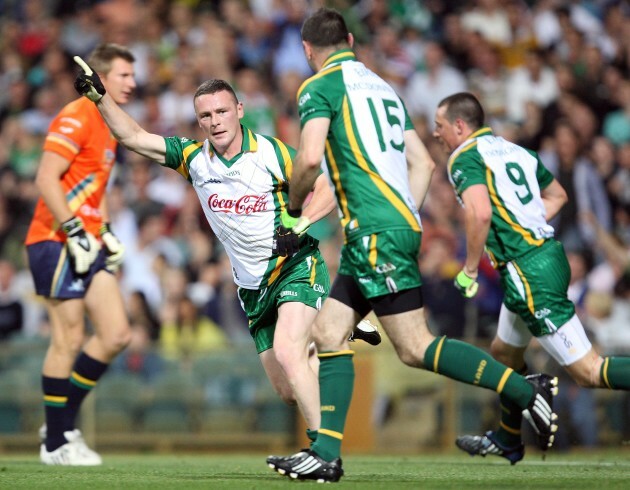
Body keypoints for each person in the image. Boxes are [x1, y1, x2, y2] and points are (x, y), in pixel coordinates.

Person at [267, 8, 559, 483]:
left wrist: (296, 208)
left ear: (307, 50)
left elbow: (308, 158)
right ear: (351, 39)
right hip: (392, 225)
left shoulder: (318, 87)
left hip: (374, 231)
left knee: (416, 347)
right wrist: (404, 215)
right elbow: (422, 163)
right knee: (329, 333)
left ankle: (528, 392)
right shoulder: (386, 89)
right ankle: (325, 452)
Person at [72, 61, 381, 457]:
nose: (215, 121)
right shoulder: (193, 160)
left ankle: (322, 454)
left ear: (239, 109)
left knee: (290, 352)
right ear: (198, 120)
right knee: (288, 389)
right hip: (252, 289)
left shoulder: (270, 152)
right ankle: (337, 324)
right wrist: (101, 99)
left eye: (221, 111)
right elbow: (133, 136)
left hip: (294, 268)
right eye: (206, 115)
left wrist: (301, 224)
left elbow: (326, 189)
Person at [432, 91, 630, 465]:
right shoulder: (514, 149)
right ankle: (508, 439)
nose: (436, 134)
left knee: (590, 371)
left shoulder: (463, 158)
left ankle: (525, 410)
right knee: (504, 352)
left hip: (527, 270)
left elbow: (479, 214)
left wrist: (470, 268)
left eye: (439, 126)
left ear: (460, 126)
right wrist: (531, 225)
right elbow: (557, 195)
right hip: (540, 258)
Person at [24, 43, 136, 466]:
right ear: (102, 75)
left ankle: (59, 422)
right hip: (55, 239)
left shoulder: (109, 122)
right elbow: (46, 178)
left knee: (116, 334)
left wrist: (104, 232)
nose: (132, 82)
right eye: (124, 75)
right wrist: (74, 229)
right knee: (68, 337)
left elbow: (96, 187)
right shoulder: (76, 115)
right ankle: (55, 441)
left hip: (87, 241)